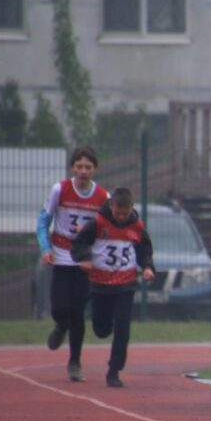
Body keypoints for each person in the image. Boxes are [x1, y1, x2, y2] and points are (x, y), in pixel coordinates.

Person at [36, 146, 109, 381]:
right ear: (72, 168)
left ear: (95, 169)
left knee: (78, 311)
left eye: (88, 167)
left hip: (84, 260)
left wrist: (89, 233)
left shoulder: (103, 197)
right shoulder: (60, 189)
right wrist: (46, 249)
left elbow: (107, 232)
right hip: (60, 255)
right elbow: (43, 221)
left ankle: (75, 362)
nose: (83, 171)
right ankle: (61, 325)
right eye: (79, 167)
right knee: (59, 308)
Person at [70, 187, 155, 388]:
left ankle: (114, 370)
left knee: (123, 326)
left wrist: (148, 267)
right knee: (101, 329)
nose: (121, 217)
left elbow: (145, 249)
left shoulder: (137, 227)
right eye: (118, 213)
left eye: (125, 214)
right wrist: (84, 258)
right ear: (111, 206)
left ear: (131, 208)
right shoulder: (98, 223)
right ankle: (103, 327)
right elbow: (80, 243)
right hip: (100, 284)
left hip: (125, 283)